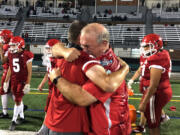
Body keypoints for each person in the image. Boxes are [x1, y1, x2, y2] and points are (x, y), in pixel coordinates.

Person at [49, 23, 131, 135]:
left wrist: (56, 78)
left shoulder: (107, 66)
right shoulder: (97, 57)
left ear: (104, 44)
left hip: (110, 129)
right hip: (100, 127)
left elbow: (82, 98)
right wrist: (64, 50)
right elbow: (55, 48)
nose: (84, 51)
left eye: (87, 46)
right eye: (82, 45)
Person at [137, 33, 172, 135]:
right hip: (160, 90)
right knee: (153, 121)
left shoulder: (156, 58)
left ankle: (143, 125)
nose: (144, 49)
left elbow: (153, 86)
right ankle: (162, 117)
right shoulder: (161, 54)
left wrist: (144, 102)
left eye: (147, 46)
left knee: (153, 124)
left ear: (156, 45)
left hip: (155, 93)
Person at [128, 55, 170, 133]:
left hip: (152, 85)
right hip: (148, 85)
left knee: (146, 105)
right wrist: (132, 80)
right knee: (152, 104)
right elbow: (139, 70)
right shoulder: (145, 58)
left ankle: (141, 126)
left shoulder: (157, 60)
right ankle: (163, 116)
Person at [3, 36, 34, 131]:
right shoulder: (11, 54)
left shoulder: (26, 55)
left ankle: (13, 120)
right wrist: (6, 81)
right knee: (17, 99)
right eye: (11, 46)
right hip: (14, 80)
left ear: (20, 45)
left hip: (22, 81)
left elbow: (29, 71)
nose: (11, 47)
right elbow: (10, 69)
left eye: (14, 45)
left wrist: (28, 83)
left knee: (17, 99)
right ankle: (22, 117)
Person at [37, 39, 61, 134]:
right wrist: (42, 83)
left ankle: (48, 130)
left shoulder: (60, 60)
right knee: (47, 109)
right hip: (52, 89)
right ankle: (44, 129)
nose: (48, 51)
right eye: (47, 49)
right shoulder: (50, 59)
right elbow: (48, 73)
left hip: (59, 90)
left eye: (50, 49)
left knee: (56, 111)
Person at [0, 29, 13, 118]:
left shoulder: (6, 46)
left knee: (3, 91)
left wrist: (0, 48)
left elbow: (3, 60)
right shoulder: (12, 44)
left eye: (2, 37)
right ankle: (21, 106)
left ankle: (5, 113)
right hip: (14, 71)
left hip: (9, 71)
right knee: (10, 92)